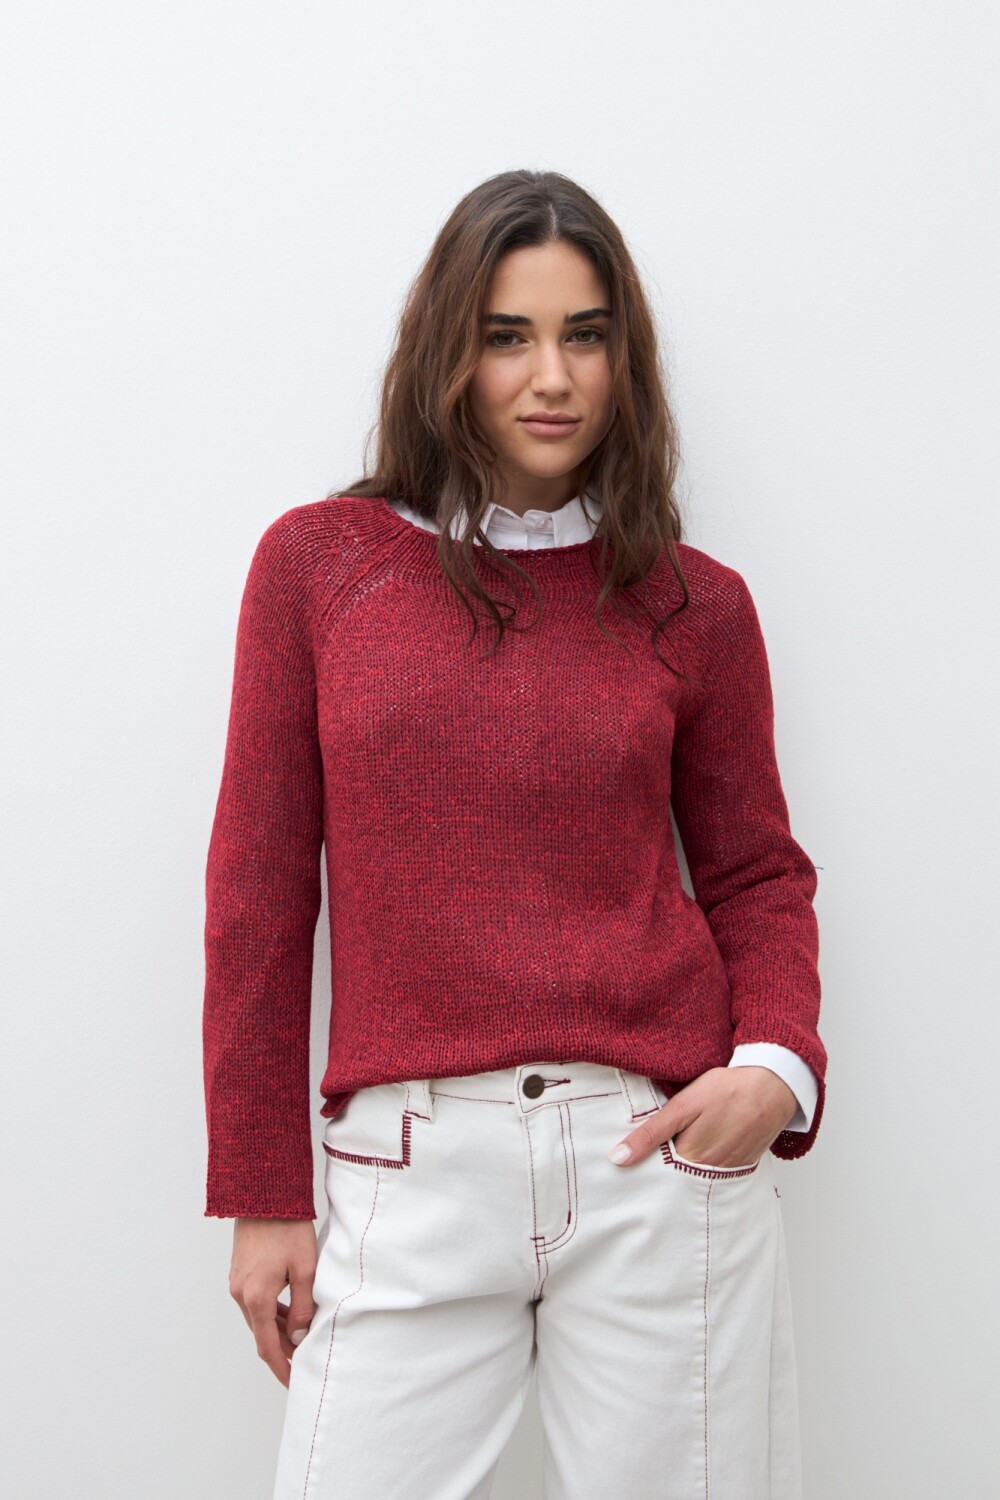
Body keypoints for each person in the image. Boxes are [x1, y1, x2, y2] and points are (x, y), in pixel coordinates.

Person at [202, 169, 827, 1500]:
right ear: (448, 351)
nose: (553, 378)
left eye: (585, 336)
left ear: (624, 358)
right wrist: (264, 1193)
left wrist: (776, 1066)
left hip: (657, 1160)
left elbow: (756, 873)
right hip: (409, 1172)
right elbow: (259, 893)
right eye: (508, 336)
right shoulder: (320, 570)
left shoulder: (694, 605)